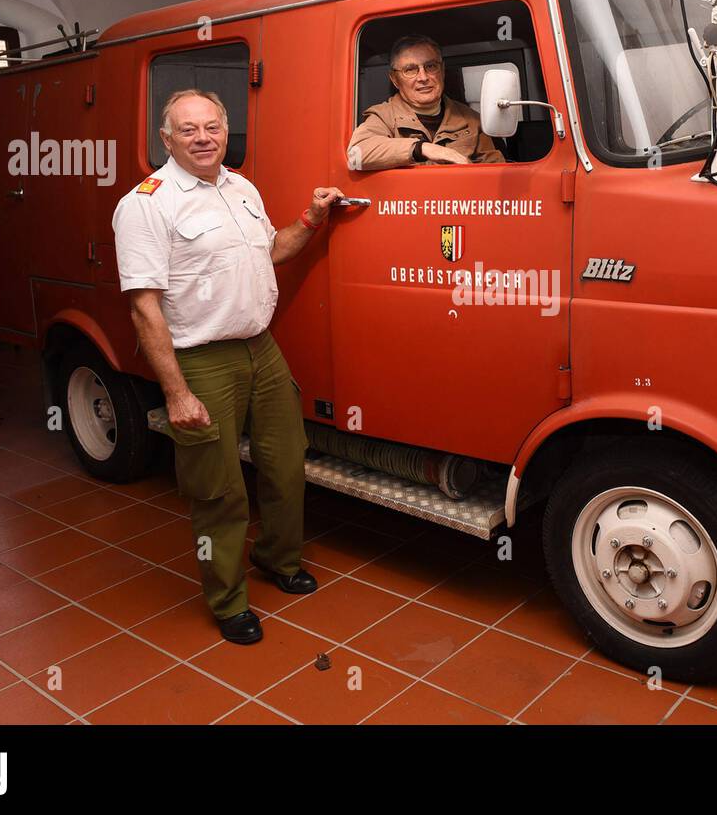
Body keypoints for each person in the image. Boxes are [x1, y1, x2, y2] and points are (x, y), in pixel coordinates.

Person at [111, 88, 343, 645]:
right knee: (219, 491)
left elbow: (273, 250)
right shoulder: (147, 203)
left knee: (287, 465)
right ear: (165, 140)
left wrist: (311, 219)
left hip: (261, 349)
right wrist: (176, 393)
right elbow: (144, 308)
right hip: (201, 359)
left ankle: (279, 560)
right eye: (187, 130)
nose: (202, 138)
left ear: (225, 130)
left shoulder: (240, 187)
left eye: (211, 126)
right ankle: (227, 598)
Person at [347, 34, 505, 169]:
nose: (423, 77)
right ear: (395, 79)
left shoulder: (472, 121)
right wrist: (421, 148)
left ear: (442, 71)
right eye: (410, 69)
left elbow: (494, 171)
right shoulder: (383, 117)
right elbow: (356, 155)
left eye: (430, 66)